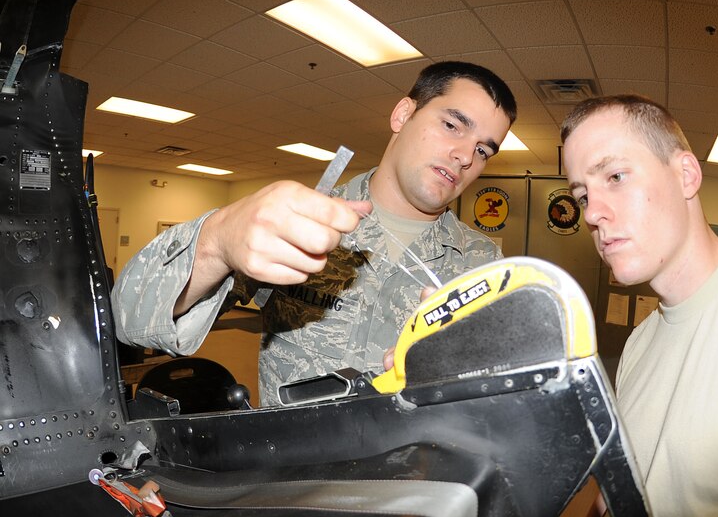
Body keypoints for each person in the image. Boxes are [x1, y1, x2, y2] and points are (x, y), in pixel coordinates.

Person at [111, 61, 517, 406]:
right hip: (289, 477)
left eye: (483, 149)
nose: (465, 156)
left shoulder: (482, 265)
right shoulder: (297, 221)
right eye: (451, 125)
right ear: (403, 114)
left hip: (413, 484)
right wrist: (215, 243)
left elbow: (498, 396)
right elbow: (131, 320)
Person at [559, 94, 718, 517]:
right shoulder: (639, 340)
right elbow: (624, 481)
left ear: (686, 175)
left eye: (615, 176)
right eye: (582, 194)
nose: (592, 214)